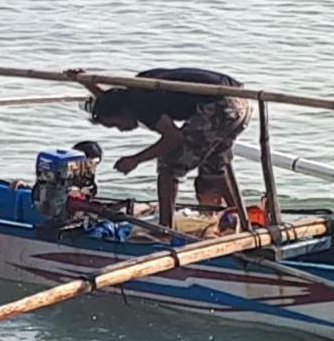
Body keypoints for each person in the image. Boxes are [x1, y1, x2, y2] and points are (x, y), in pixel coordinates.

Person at [84, 67, 250, 227]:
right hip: (240, 99)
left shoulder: (140, 105)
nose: (120, 130)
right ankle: (240, 219)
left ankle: (165, 229)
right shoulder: (134, 91)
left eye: (115, 124)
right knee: (217, 162)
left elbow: (174, 138)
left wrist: (136, 159)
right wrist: (86, 83)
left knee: (169, 164)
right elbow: (108, 100)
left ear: (121, 112)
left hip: (220, 105)